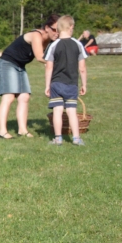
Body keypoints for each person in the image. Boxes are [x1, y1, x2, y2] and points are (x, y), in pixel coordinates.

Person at [0, 14, 60, 139]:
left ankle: (22, 130)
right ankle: (2, 131)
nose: (57, 33)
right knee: (9, 96)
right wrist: (57, 63)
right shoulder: (36, 35)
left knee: (24, 97)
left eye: (59, 31)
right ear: (47, 27)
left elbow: (47, 61)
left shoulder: (49, 41)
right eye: (54, 29)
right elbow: (40, 57)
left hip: (20, 66)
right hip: (7, 63)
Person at [45, 15, 88, 146]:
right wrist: (84, 84)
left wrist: (47, 85)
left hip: (56, 83)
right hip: (72, 84)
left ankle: (58, 139)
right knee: (71, 111)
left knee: (57, 111)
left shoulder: (53, 45)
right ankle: (76, 138)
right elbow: (82, 68)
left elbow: (48, 67)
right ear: (71, 27)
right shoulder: (78, 44)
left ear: (57, 29)